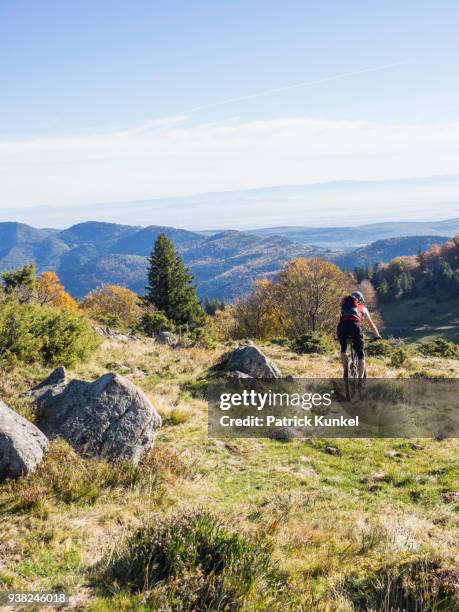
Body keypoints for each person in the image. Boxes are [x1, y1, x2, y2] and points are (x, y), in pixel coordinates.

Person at [337, 290, 381, 379]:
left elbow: (341, 320)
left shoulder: (344, 306)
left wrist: (338, 336)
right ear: (360, 300)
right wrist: (377, 336)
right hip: (354, 327)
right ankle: (360, 380)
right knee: (361, 354)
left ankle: (346, 368)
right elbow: (371, 324)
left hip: (342, 327)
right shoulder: (362, 307)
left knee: (343, 350)